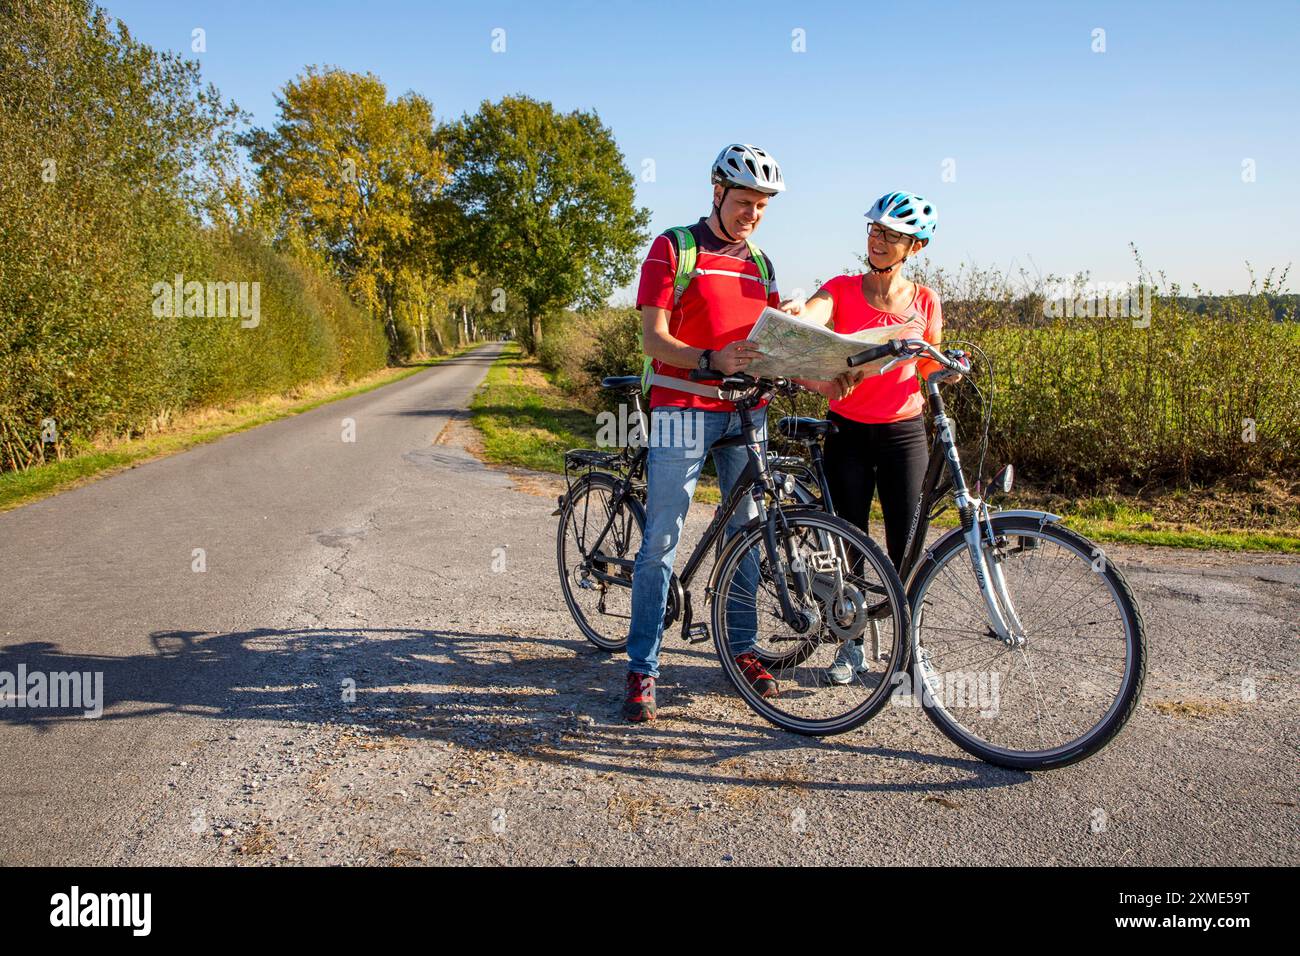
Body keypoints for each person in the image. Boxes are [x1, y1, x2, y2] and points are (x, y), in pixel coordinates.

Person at [623, 143, 829, 723]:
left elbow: (762, 347)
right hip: (682, 407)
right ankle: (642, 667)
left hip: (747, 412)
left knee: (749, 535)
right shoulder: (674, 248)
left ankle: (741, 653)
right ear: (717, 193)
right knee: (663, 536)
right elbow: (653, 339)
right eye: (744, 202)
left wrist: (815, 367)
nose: (753, 214)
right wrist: (711, 358)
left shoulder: (760, 264)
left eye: (762, 205)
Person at [781, 191, 946, 684]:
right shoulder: (842, 288)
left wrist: (950, 368)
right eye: (874, 231)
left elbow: (931, 363)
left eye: (891, 235)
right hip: (847, 433)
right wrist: (797, 314)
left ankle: (910, 651)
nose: (878, 240)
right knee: (848, 541)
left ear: (913, 247)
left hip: (904, 434)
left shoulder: (925, 301)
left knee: (907, 547)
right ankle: (849, 644)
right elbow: (815, 311)